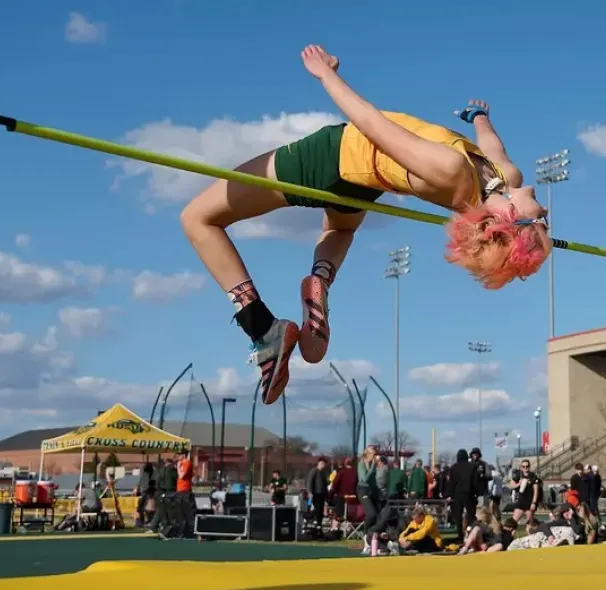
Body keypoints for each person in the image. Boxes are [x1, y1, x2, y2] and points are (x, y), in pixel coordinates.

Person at [180, 44, 552, 406]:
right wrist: (479, 117)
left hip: (330, 158)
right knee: (339, 230)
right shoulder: (505, 177)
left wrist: (325, 74)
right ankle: (320, 279)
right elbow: (493, 146)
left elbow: (373, 124)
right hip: (361, 184)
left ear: (508, 223)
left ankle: (262, 329)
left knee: (197, 218)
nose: (547, 214)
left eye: (541, 222)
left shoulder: (452, 174)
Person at [446, 449, 479, 540]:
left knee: (458, 516)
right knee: (471, 515)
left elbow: (451, 483)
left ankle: (460, 536)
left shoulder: (453, 468)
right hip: (469, 493)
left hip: (457, 494)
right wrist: (477, 493)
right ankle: (471, 534)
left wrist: (450, 495)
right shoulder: (472, 467)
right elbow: (475, 482)